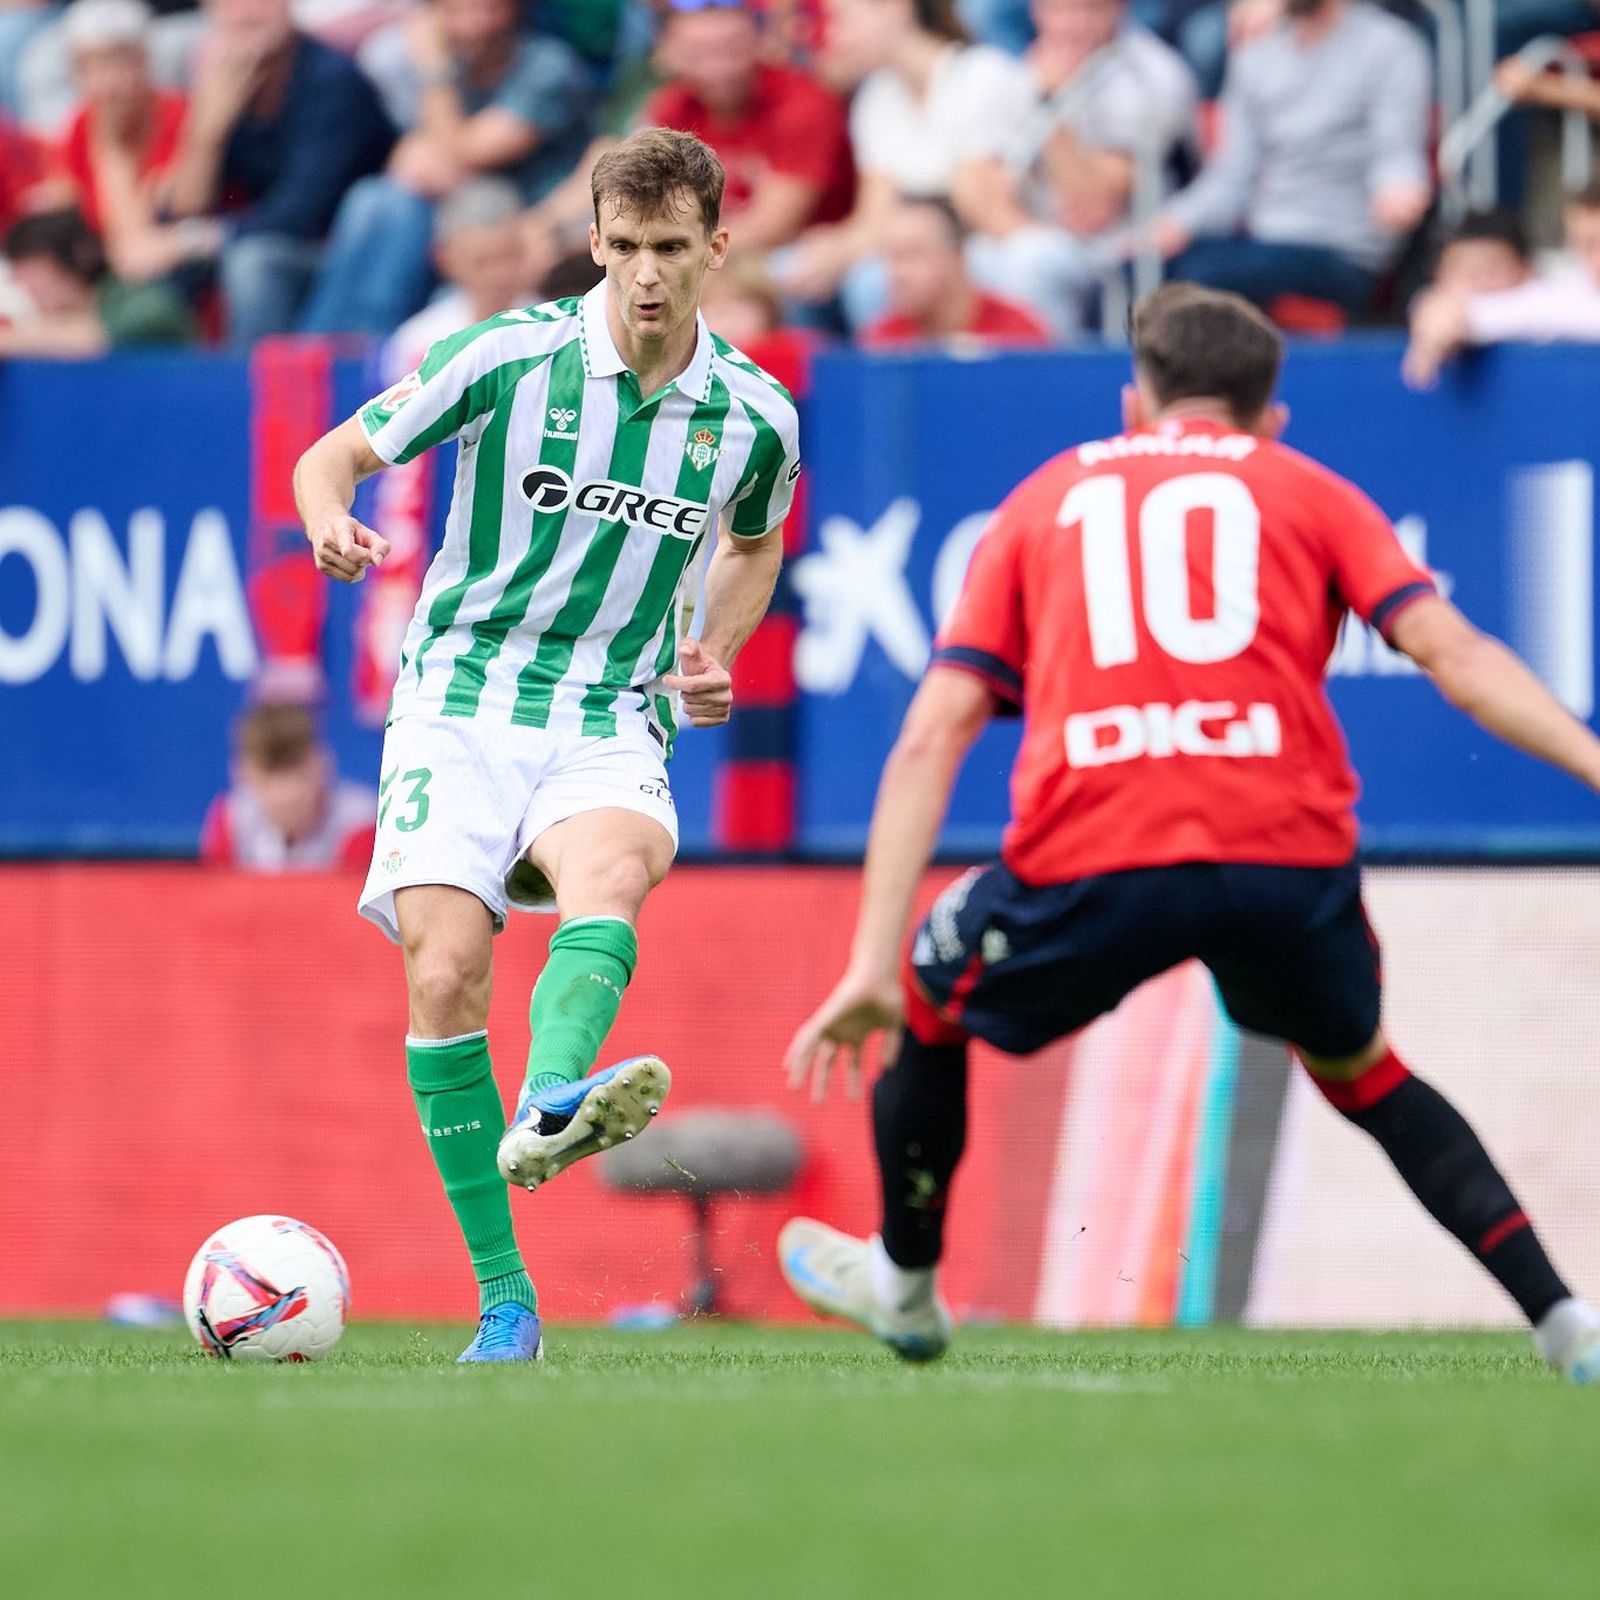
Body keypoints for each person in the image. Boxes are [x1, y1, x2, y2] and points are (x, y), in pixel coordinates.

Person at [777, 282, 1600, 1384]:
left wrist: (873, 963)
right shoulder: (1311, 488)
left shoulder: (1041, 500)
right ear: (1270, 418)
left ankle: (906, 1284)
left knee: (930, 1000)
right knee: (1362, 1070)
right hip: (1283, 855)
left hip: (1095, 852)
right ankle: (1562, 1319)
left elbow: (932, 734)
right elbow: (1456, 659)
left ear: (1133, 403)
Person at [292, 128, 801, 1364]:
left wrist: (713, 646)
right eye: (623, 246)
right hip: (460, 692)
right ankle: (506, 1302)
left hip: (609, 704)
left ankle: (553, 1094)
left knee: (615, 869)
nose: (643, 273)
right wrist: (328, 523)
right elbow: (333, 457)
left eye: (669, 248)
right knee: (444, 975)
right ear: (592, 244)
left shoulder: (753, 416)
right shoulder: (502, 358)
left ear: (714, 250)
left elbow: (754, 541)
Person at [353, 177, 536, 725]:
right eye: (482, 261)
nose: (499, 274)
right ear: (447, 259)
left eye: (508, 255)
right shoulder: (422, 342)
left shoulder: (557, 328)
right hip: (445, 524)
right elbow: (399, 477)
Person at [112, 0, 394, 345]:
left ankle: (255, 389)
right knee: (151, 281)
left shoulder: (332, 78)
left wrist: (188, 241)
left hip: (344, 258)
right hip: (273, 244)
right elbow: (184, 208)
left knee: (251, 263)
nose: (244, 12)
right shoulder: (230, 78)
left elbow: (302, 213)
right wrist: (206, 132)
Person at [308, 0, 591, 337]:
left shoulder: (548, 66)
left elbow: (464, 154)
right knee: (378, 201)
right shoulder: (393, 54)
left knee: (456, 241)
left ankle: (367, 349)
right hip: (451, 217)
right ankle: (332, 350)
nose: (477, 25)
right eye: (459, 10)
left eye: (490, 9)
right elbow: (408, 159)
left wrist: (434, 70)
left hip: (526, 226)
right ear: (435, 13)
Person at [1150, 0, 1432, 317]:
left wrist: (1399, 186)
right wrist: (1177, 220)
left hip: (1343, 250)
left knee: (1202, 278)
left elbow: (1397, 150)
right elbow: (1232, 173)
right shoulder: (1255, 54)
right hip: (1265, 240)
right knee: (1143, 268)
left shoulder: (1390, 47)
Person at [775, 0, 1032, 327]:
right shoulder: (876, 97)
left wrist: (852, 248)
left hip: (993, 240)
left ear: (895, 8)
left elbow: (980, 208)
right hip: (926, 239)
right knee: (799, 267)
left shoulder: (982, 75)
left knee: (878, 279)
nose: (835, 37)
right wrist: (833, 249)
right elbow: (874, 216)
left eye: (842, 20)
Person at [958, 0, 1198, 337]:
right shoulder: (1009, 69)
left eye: (1090, 9)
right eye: (1061, 9)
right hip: (1031, 231)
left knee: (1033, 263)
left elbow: (1089, 198)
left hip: (1120, 247)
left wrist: (1049, 101)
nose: (1074, 23)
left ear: (1119, 8)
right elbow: (974, 185)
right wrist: (1021, 230)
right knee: (970, 259)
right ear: (1037, 10)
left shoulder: (1151, 73)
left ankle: (1056, 382)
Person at [644, 0, 855, 251]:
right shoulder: (670, 107)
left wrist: (681, 251)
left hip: (799, 248)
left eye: (731, 50)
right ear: (668, 53)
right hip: (711, 246)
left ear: (759, 41)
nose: (718, 67)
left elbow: (772, 226)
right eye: (697, 53)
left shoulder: (804, 104)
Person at [1404, 187, 1600, 389]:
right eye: (1584, 245)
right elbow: (1528, 307)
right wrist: (1439, 310)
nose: (1594, 259)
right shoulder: (1567, 290)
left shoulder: (1561, 305)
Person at [54, 0, 187, 257]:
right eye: (94, 69)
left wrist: (113, 148)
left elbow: (134, 234)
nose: (110, 84)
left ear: (145, 62)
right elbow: (67, 199)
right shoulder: (81, 123)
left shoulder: (177, 115)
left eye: (122, 65)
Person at [201, 702, 378, 870]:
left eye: (299, 773)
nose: (287, 793)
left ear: (323, 763)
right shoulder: (231, 822)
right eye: (270, 775)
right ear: (244, 774)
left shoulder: (359, 824)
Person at [860, 193, 1052, 348]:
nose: (896, 274)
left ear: (957, 257)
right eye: (891, 257)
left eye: (913, 254)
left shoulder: (1016, 337)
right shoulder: (882, 341)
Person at [0, 205, 193, 354]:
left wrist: (11, 340)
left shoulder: (143, 300)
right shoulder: (54, 321)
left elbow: (97, 340)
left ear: (73, 258)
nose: (20, 283)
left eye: (29, 270)